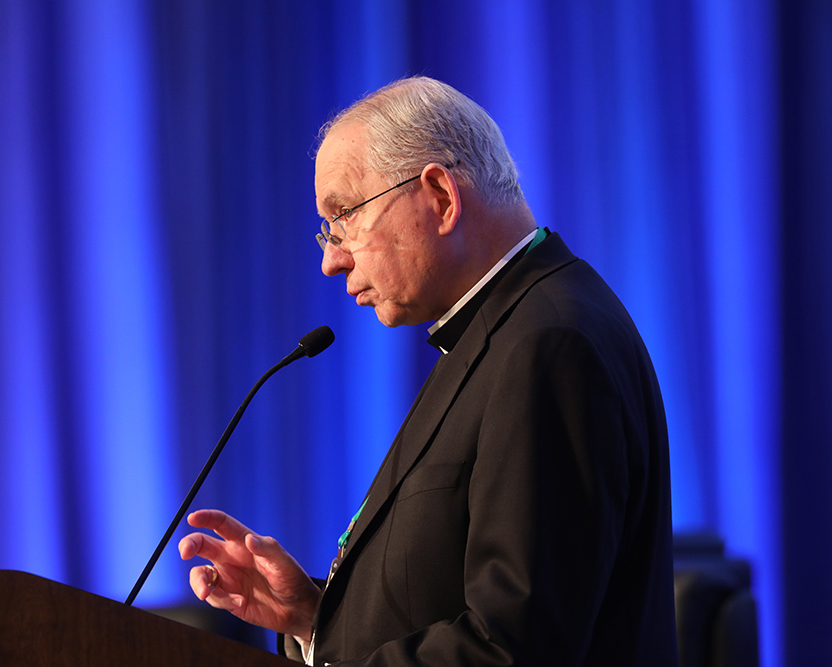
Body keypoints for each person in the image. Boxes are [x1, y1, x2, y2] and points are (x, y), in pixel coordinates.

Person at [178, 76, 678, 666]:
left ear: (440, 197)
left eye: (343, 216)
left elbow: (516, 646)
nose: (330, 260)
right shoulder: (504, 331)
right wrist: (315, 622)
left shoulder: (547, 344)